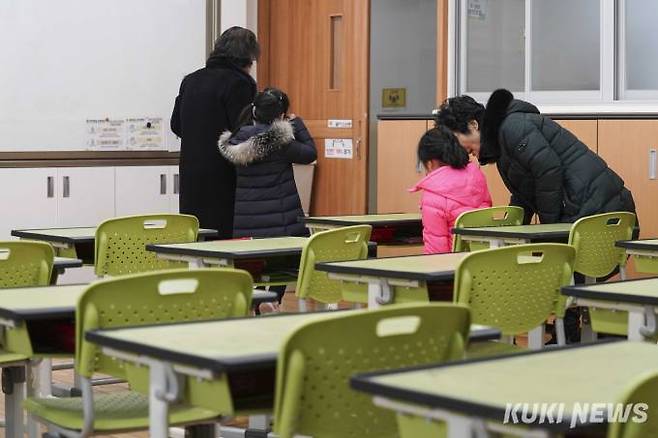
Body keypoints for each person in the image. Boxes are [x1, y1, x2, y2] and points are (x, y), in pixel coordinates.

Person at [435, 89, 637, 225]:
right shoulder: (503, 138)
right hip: (597, 212)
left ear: (473, 125)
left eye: (456, 138)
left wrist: (549, 228)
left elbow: (548, 170)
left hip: (600, 212)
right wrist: (513, 225)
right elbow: (525, 191)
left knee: (552, 273)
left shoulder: (511, 127)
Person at [171, 27, 259, 239]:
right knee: (225, 242)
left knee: (200, 239)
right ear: (248, 56)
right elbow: (243, 133)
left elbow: (176, 125)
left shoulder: (191, 80)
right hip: (225, 176)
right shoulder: (240, 83)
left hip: (191, 175)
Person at [218, 87, 316, 239]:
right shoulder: (280, 142)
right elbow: (310, 154)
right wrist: (297, 124)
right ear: (281, 115)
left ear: (254, 111)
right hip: (281, 226)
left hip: (246, 224)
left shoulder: (237, 139)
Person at [409, 126, 492, 254]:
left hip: (454, 268)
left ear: (430, 163)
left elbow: (436, 252)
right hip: (484, 263)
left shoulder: (433, 195)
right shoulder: (478, 177)